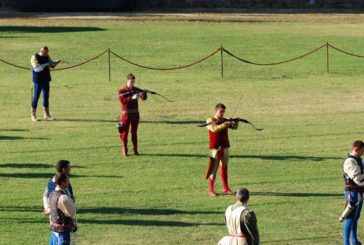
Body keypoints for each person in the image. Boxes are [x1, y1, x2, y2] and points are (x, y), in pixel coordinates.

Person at [206, 103, 238, 197]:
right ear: (216, 111)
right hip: (216, 148)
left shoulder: (225, 120)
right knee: (213, 169)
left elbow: (235, 128)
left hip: (225, 146)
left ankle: (226, 188)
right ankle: (211, 189)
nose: (222, 113)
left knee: (224, 167)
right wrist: (224, 124)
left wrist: (235, 122)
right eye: (221, 111)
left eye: (223, 112)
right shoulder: (210, 120)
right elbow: (214, 129)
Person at [117, 73, 147, 157]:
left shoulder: (136, 89)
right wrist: (132, 98)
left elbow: (144, 98)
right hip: (126, 116)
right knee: (124, 133)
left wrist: (143, 93)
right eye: (131, 82)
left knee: (134, 132)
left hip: (135, 115)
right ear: (127, 81)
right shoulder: (122, 91)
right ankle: (124, 150)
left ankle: (135, 150)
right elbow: (123, 101)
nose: (132, 84)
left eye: (133, 82)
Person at [341, 140, 364, 245]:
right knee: (350, 218)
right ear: (356, 149)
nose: (363, 153)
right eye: (362, 151)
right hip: (352, 192)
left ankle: (354, 241)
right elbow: (358, 179)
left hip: (357, 192)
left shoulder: (357, 160)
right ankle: (346, 243)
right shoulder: (350, 162)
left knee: (355, 217)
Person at [30, 46, 60, 122]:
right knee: (36, 97)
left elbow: (52, 66)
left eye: (47, 52)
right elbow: (36, 68)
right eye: (45, 52)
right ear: (41, 51)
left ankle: (46, 115)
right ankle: (33, 115)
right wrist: (47, 64)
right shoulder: (34, 57)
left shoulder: (47, 56)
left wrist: (55, 63)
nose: (47, 54)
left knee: (46, 97)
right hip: (38, 80)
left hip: (46, 79)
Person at [49, 172, 77, 245]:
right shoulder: (63, 197)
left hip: (54, 229)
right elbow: (72, 212)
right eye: (67, 181)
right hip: (62, 231)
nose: (68, 182)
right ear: (62, 182)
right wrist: (72, 202)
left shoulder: (52, 194)